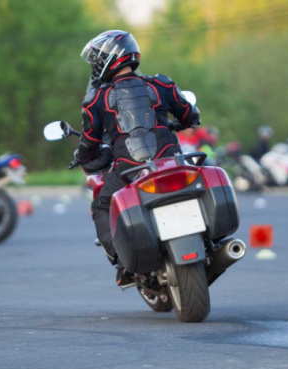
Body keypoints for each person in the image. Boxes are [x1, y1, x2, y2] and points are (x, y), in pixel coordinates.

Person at [75, 30, 200, 285]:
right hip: (171, 163)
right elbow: (189, 114)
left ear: (110, 59)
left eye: (97, 60)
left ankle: (124, 264)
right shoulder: (161, 84)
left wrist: (81, 156)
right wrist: (179, 122)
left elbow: (90, 141)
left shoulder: (97, 99)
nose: (95, 66)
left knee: (101, 205)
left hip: (129, 173)